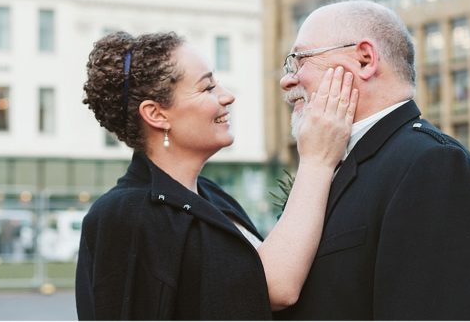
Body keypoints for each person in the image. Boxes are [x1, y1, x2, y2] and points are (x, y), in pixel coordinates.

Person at [76, 31, 357, 320]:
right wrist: (316, 160)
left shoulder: (210, 195)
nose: (227, 96)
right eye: (208, 88)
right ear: (157, 114)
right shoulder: (125, 214)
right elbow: (274, 288)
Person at [277, 0, 470, 320]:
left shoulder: (434, 167)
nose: (288, 80)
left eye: (299, 60)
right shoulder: (330, 163)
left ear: (365, 59)